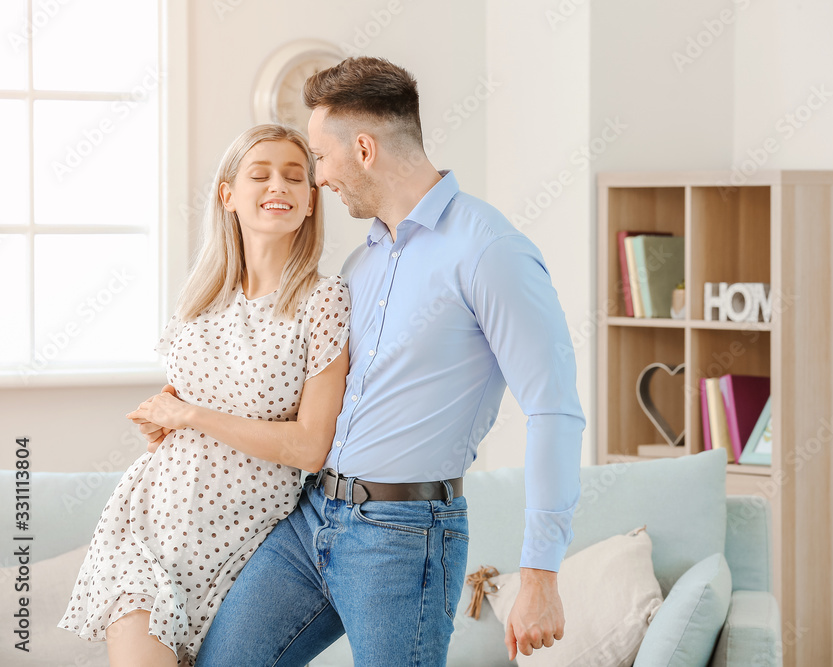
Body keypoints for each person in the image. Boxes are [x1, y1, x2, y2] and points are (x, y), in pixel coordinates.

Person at [182, 56, 585, 666]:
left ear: (363, 149)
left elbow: (554, 411)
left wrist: (540, 575)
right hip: (311, 518)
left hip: (403, 536)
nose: (317, 179)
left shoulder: (490, 252)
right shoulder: (359, 267)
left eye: (320, 157)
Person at [57, 124, 351, 667]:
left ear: (311, 201)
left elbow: (310, 447)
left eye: (294, 176)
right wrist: (165, 416)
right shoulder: (202, 295)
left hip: (241, 549)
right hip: (150, 529)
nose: (278, 186)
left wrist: (189, 413)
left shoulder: (323, 300)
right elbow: (190, 396)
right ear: (228, 194)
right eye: (259, 175)